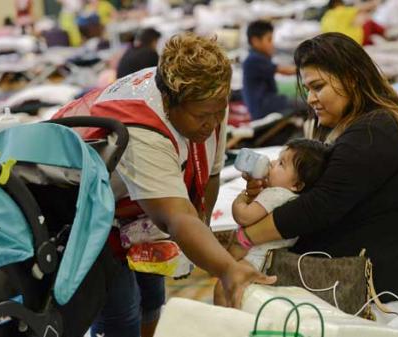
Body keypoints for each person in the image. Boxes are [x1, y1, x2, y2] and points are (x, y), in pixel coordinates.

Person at [52, 33, 274, 337]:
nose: (211, 125)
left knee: (153, 297)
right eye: (201, 117)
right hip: (74, 206)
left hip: (125, 205)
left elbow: (209, 176)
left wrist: (204, 235)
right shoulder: (141, 129)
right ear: (168, 102)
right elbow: (176, 216)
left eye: (217, 112)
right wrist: (227, 269)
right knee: (121, 310)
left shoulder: (207, 101)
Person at [238, 32, 398, 308]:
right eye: (308, 89)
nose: (311, 98)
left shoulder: (374, 132)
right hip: (380, 275)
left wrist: (242, 240)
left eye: (318, 86)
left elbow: (317, 207)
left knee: (235, 284)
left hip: (380, 288)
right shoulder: (371, 125)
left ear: (352, 77)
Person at [213, 138, 328, 305]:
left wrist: (241, 198)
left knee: (224, 289)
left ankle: (226, 325)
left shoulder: (276, 194)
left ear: (297, 185)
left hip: (254, 258)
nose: (272, 163)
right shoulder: (291, 199)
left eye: (281, 163)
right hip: (268, 259)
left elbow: (244, 216)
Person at [242, 20, 297, 120]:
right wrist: (305, 69)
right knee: (303, 103)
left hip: (266, 103)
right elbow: (284, 70)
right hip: (263, 106)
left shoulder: (258, 57)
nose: (272, 44)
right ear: (255, 41)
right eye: (269, 40)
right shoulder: (254, 59)